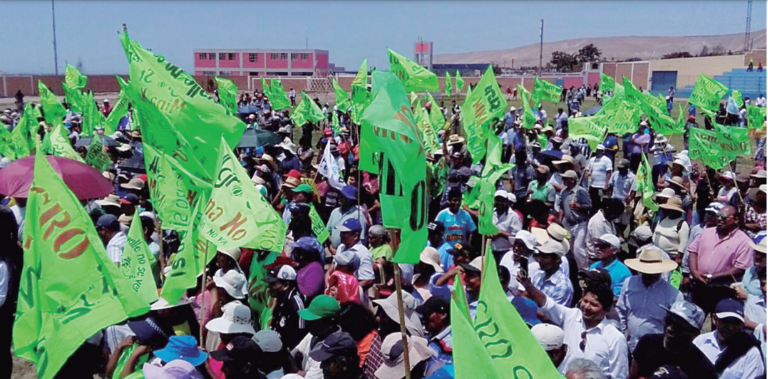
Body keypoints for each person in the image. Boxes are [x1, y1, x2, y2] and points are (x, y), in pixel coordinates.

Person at [521, 273, 628, 379]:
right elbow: (547, 305)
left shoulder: (615, 338)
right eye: (585, 301)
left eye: (594, 305)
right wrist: (528, 286)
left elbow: (619, 376)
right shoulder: (571, 316)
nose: (586, 307)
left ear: (607, 310)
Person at [688, 205, 753, 315]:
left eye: (723, 217)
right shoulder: (707, 232)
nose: (719, 220)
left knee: (719, 323)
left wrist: (714, 277)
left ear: (736, 219)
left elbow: (740, 268)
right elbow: (693, 251)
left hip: (723, 289)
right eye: (718, 216)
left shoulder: (744, 241)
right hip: (699, 285)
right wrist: (694, 272)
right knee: (692, 320)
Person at [630, 300, 717, 379]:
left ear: (694, 334)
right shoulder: (648, 343)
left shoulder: (703, 368)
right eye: (669, 320)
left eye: (679, 325)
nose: (670, 328)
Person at [619, 248, 683, 352]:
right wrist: (621, 336)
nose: (647, 274)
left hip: (656, 349)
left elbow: (676, 327)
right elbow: (621, 311)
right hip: (629, 344)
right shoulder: (629, 283)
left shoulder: (673, 294)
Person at [693, 298, 765, 379]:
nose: (730, 327)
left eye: (735, 323)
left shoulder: (751, 353)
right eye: (726, 321)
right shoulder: (700, 342)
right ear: (714, 319)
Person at [292, 295, 342, 379]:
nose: (309, 324)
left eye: (315, 321)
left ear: (331, 322)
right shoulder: (314, 334)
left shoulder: (334, 348)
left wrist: (295, 370)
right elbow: (292, 355)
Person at [266, 265, 307, 350]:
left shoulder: (297, 306)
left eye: (272, 284)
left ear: (286, 285)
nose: (269, 288)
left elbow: (299, 338)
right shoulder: (280, 300)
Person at [558, 170, 592, 270]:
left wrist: (577, 206)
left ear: (572, 180)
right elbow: (561, 207)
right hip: (568, 224)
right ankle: (575, 268)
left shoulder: (581, 191)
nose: (563, 180)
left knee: (578, 248)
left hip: (580, 223)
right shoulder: (563, 192)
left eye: (565, 178)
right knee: (570, 248)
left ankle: (584, 269)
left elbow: (589, 206)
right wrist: (560, 220)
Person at [333, 218, 375, 292]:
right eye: (341, 232)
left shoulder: (363, 253)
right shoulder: (341, 247)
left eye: (345, 233)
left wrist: (348, 291)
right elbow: (332, 266)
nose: (340, 235)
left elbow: (368, 280)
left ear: (355, 235)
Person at [531, 240, 573, 306]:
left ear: (557, 259)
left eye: (545, 257)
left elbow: (552, 313)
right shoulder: (538, 275)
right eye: (540, 255)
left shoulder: (563, 285)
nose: (539, 260)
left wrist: (528, 286)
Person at [590, 234, 631, 298]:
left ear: (614, 250)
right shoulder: (593, 266)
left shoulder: (623, 273)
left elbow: (616, 298)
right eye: (596, 245)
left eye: (603, 246)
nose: (598, 249)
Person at [415, 297, 452, 365]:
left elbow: (444, 372)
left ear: (443, 315)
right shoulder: (431, 335)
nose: (424, 317)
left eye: (427, 313)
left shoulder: (449, 344)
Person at [489, 190, 521, 259]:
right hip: (491, 250)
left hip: (506, 252)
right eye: (497, 200)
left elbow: (517, 237)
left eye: (502, 200)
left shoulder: (513, 216)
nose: (500, 203)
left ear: (507, 202)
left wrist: (501, 233)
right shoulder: (490, 213)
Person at [585, 144, 613, 210]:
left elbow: (609, 173)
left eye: (600, 150)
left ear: (603, 151)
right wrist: (588, 173)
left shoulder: (607, 160)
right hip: (592, 184)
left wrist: (606, 184)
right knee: (593, 201)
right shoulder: (592, 159)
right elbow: (588, 169)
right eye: (597, 150)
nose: (598, 152)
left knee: (602, 202)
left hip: (602, 185)